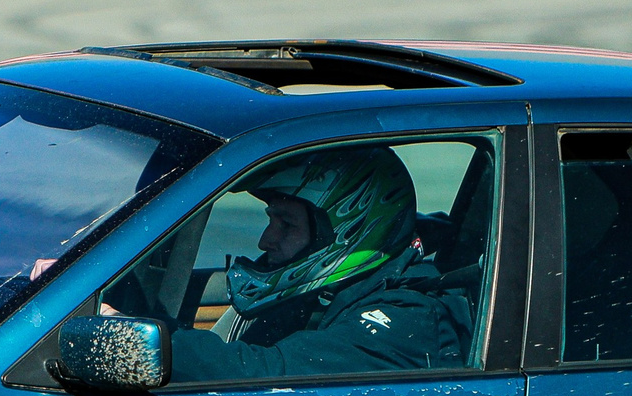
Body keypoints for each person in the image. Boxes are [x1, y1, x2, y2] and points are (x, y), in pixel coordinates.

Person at [161, 150, 473, 382]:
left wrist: (151, 343)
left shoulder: (404, 319)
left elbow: (266, 374)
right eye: (271, 219)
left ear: (347, 231)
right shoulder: (329, 292)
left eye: (286, 224)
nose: (265, 240)